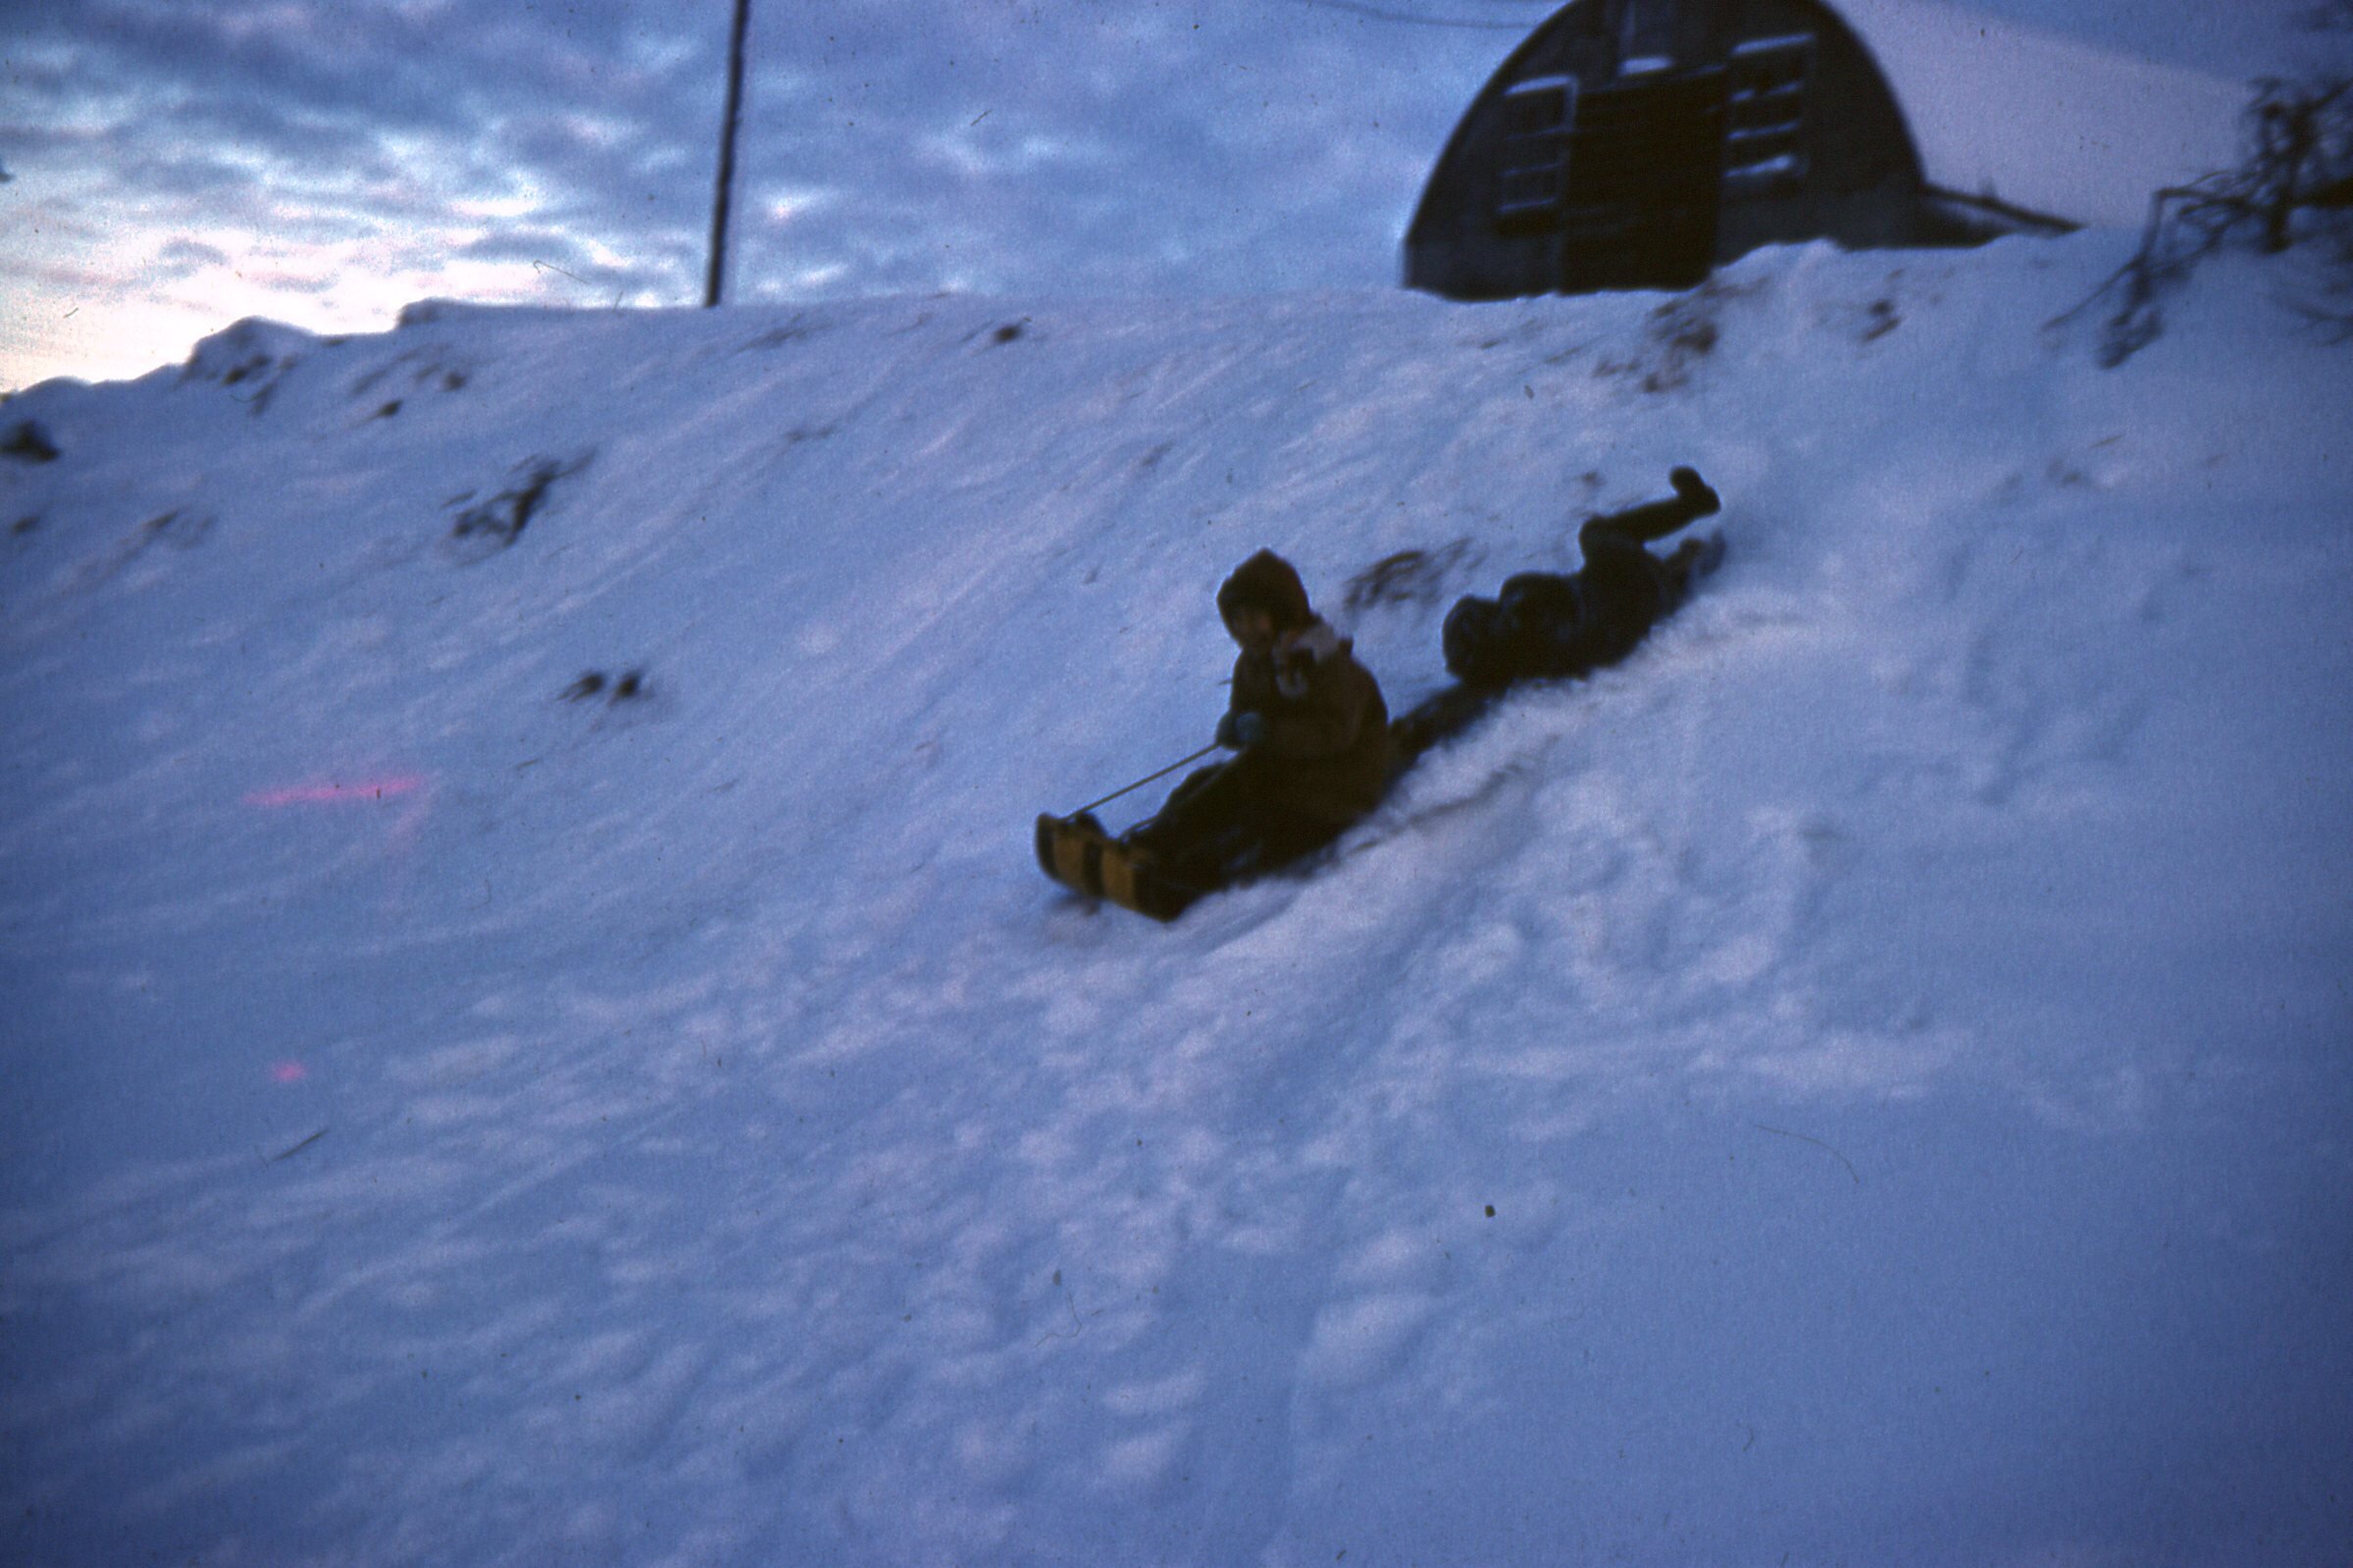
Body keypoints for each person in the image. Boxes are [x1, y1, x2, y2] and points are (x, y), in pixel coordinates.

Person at [1115, 550, 1392, 896]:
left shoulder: (1325, 664)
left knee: (1262, 820)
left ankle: (1194, 874)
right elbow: (1248, 712)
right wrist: (1236, 728)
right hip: (1285, 770)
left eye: (1253, 618)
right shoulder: (1252, 664)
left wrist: (1270, 733)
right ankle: (1151, 844)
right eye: (1236, 620)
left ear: (1280, 614)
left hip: (1338, 786)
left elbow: (1334, 733)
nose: (1243, 630)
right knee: (1208, 786)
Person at [1439, 465, 1721, 689]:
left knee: (1604, 561)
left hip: (1635, 614)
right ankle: (1693, 505)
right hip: (1633, 593)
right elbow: (1542, 594)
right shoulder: (1519, 618)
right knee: (1594, 534)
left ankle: (1683, 555)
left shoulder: (1521, 660)